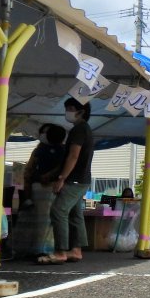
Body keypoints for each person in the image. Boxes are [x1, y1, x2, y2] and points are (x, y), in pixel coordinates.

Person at [39, 98, 94, 265]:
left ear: (81, 111)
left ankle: (60, 251)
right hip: (81, 179)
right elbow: (70, 158)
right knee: (75, 214)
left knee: (58, 211)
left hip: (74, 179)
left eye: (70, 108)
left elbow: (73, 156)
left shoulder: (79, 130)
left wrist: (61, 178)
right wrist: (53, 174)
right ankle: (76, 250)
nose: (67, 112)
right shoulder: (85, 129)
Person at [21, 123, 66, 259]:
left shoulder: (61, 150)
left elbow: (61, 167)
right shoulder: (39, 150)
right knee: (40, 220)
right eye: (43, 132)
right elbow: (29, 171)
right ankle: (37, 248)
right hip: (39, 188)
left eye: (48, 132)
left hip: (51, 187)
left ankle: (44, 248)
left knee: (46, 219)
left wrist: (48, 176)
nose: (45, 135)